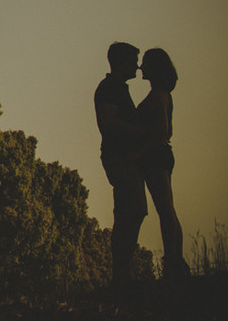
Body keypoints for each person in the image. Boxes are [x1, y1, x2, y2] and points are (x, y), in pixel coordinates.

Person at [94, 41, 147, 289]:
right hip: (119, 157)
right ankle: (122, 275)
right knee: (130, 210)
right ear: (121, 61)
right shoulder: (109, 88)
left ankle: (123, 273)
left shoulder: (118, 88)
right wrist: (139, 131)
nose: (137, 66)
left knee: (132, 211)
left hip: (125, 157)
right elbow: (110, 123)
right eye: (132, 60)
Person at [136, 47, 190, 280]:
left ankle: (173, 264)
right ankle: (175, 262)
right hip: (159, 154)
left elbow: (163, 130)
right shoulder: (162, 95)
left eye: (145, 63)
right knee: (167, 209)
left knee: (165, 210)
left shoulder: (158, 96)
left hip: (155, 156)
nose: (141, 67)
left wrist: (139, 152)